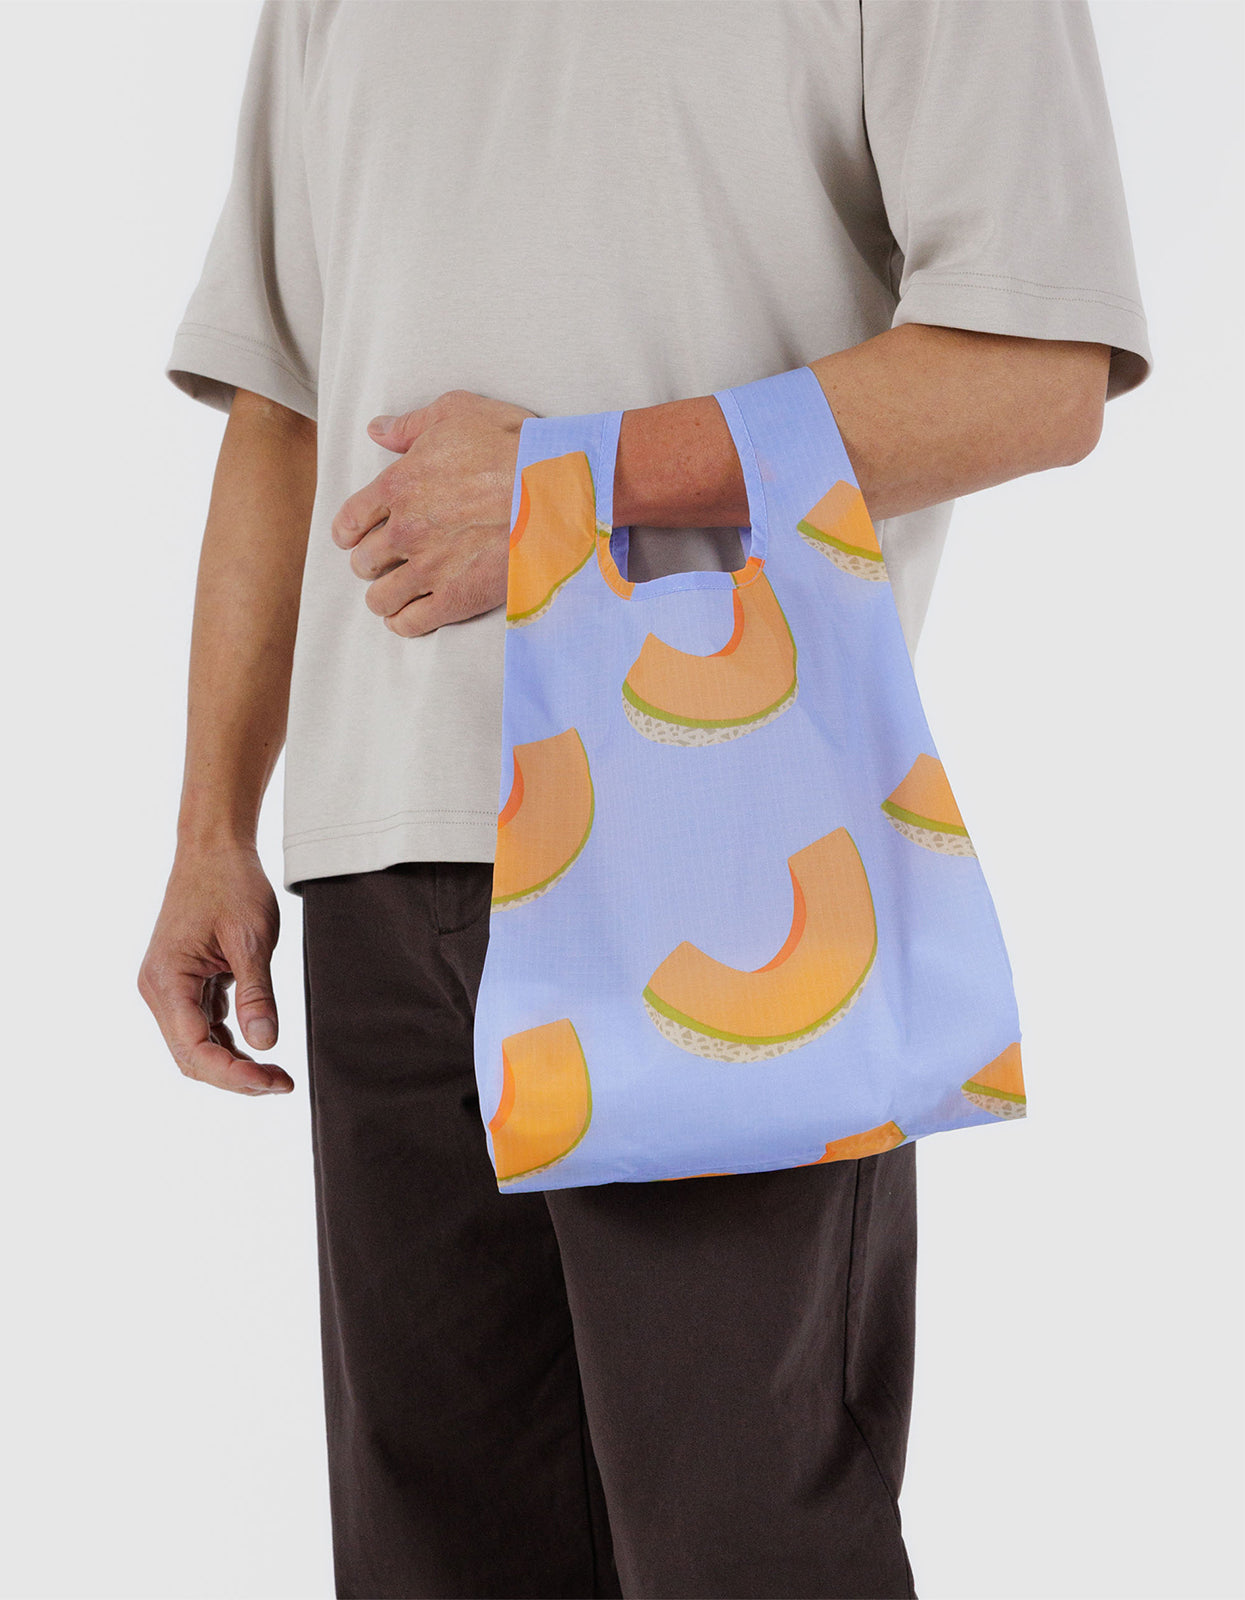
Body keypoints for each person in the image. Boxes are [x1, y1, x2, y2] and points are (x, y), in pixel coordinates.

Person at [138, 3, 1152, 1596]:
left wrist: (574, 477)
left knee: (742, 1542)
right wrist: (212, 828)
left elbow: (1035, 375)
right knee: (435, 1550)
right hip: (376, 852)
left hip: (719, 823)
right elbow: (285, 408)